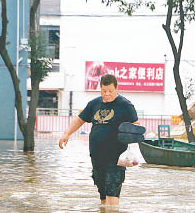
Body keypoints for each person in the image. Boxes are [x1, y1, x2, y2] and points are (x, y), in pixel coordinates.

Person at [59, 74, 139, 205]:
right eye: (103, 91)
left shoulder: (125, 105)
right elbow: (80, 120)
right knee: (102, 190)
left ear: (117, 89)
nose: (107, 94)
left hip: (116, 156)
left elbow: (136, 126)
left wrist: (130, 137)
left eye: (110, 91)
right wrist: (67, 133)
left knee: (112, 188)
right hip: (97, 155)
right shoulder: (94, 104)